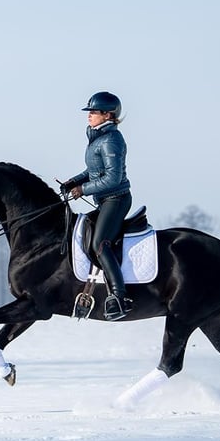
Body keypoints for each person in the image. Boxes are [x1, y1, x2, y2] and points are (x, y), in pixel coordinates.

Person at [61, 91, 133, 321]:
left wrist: (83, 190)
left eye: (93, 112)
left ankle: (118, 297)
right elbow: (93, 171)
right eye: (89, 112)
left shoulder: (112, 140)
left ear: (108, 115)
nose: (89, 116)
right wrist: (74, 181)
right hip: (104, 200)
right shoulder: (97, 137)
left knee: (100, 244)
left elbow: (112, 179)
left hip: (116, 199)